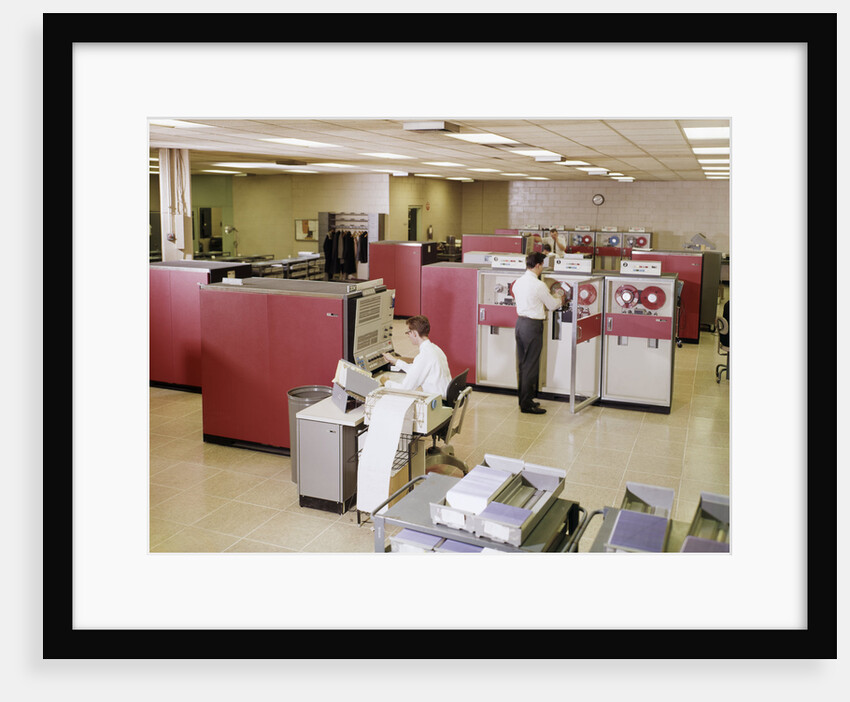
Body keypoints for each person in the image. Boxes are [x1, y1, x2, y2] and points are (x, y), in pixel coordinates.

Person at [511, 251, 565, 414]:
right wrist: (559, 297)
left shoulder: (518, 282)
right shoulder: (538, 285)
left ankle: (524, 400)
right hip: (532, 325)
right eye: (542, 265)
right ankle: (526, 405)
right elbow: (552, 305)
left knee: (522, 364)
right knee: (531, 365)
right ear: (538, 265)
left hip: (520, 324)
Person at [381, 315, 452, 400]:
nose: (408, 336)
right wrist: (396, 361)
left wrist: (387, 382)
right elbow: (417, 369)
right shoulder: (435, 349)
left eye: (408, 332)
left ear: (414, 333)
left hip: (437, 402)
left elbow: (405, 389)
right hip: (445, 397)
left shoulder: (424, 356)